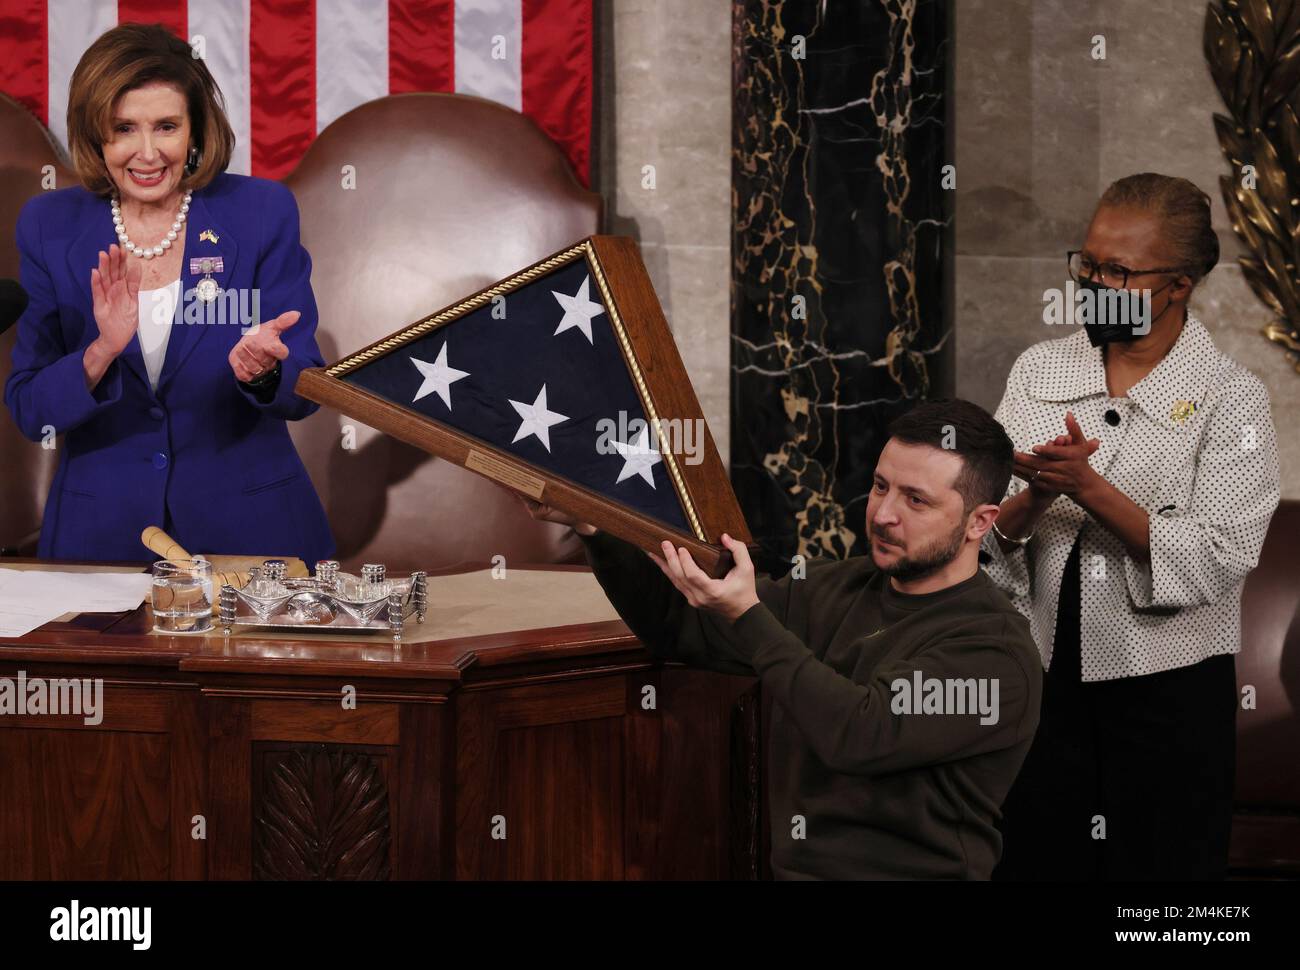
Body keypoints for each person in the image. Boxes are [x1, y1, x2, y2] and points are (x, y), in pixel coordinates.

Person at [525, 399, 1042, 879]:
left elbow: (860, 734)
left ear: (980, 522)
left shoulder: (996, 652)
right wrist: (597, 528)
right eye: (881, 486)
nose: (884, 514)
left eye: (916, 500)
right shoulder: (836, 585)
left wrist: (749, 614)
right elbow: (679, 627)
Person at [987, 173, 1281, 880]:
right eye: (1087, 264)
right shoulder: (1039, 371)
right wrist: (1029, 500)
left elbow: (1219, 555)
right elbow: (989, 534)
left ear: (1178, 285)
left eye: (1117, 271)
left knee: (1165, 895)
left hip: (1171, 689)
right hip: (1045, 674)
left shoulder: (1231, 398)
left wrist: (1090, 489)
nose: (1092, 282)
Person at [5, 23, 334, 564]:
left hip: (252, 539)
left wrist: (266, 372)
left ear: (195, 130)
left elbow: (304, 386)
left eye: (166, 126)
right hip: (102, 545)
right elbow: (29, 409)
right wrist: (99, 352)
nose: (148, 152)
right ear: (95, 135)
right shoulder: (49, 225)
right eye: (124, 129)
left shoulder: (259, 213)